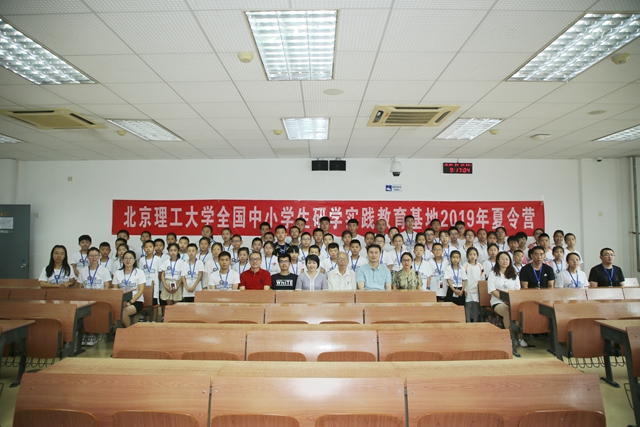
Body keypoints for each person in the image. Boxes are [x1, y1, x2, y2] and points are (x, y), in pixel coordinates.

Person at [487, 252, 522, 349]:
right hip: (498, 301)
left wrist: (511, 300)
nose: (505, 261)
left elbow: (517, 290)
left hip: (512, 301)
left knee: (520, 311)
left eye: (507, 259)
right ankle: (510, 338)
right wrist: (504, 299)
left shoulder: (514, 273)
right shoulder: (493, 274)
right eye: (502, 259)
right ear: (498, 261)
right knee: (507, 311)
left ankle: (520, 337)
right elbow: (492, 290)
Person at [112, 250, 146, 327]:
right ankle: (118, 331)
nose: (128, 260)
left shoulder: (139, 272)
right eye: (126, 258)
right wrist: (122, 302)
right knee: (112, 313)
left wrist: (130, 302)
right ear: (122, 260)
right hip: (121, 301)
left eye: (130, 258)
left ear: (134, 260)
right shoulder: (117, 273)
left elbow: (141, 290)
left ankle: (129, 331)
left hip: (136, 301)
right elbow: (115, 291)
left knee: (123, 313)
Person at [139, 239, 161, 321]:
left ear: (154, 248)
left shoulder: (157, 259)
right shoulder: (141, 260)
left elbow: (160, 272)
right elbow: (140, 273)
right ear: (144, 248)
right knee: (146, 303)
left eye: (150, 247)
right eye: (146, 247)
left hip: (154, 285)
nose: (148, 249)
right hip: (144, 285)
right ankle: (147, 320)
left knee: (155, 304)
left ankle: (154, 321)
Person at [464, 247, 483, 322]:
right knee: (468, 306)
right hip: (468, 289)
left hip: (477, 290)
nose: (472, 256)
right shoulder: (465, 265)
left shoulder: (480, 265)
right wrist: (464, 289)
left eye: (474, 254)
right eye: (470, 254)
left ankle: (475, 322)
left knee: (476, 306)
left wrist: (481, 289)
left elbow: (482, 277)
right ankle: (468, 322)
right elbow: (463, 278)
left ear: (477, 256)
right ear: (467, 255)